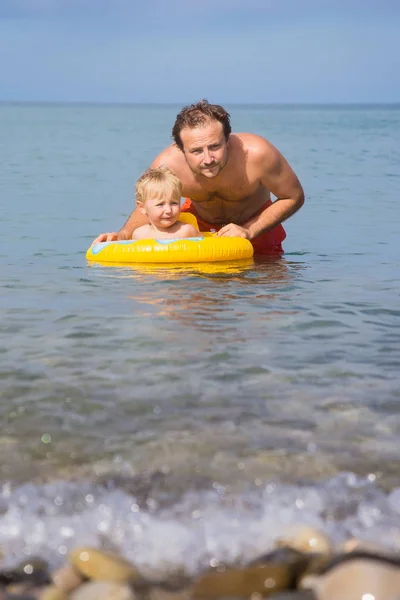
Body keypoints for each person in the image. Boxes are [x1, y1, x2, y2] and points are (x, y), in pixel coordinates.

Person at [93, 100, 304, 254]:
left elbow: (293, 197)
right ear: (181, 149)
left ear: (227, 139)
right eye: (196, 151)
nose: (208, 159)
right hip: (196, 230)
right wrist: (122, 236)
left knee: (267, 301)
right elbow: (150, 204)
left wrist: (249, 230)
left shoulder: (258, 154)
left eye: (215, 146)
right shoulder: (168, 164)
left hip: (256, 227)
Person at [131, 166, 199, 240]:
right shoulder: (140, 235)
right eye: (160, 204)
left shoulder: (187, 232)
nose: (168, 210)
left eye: (174, 203)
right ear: (142, 208)